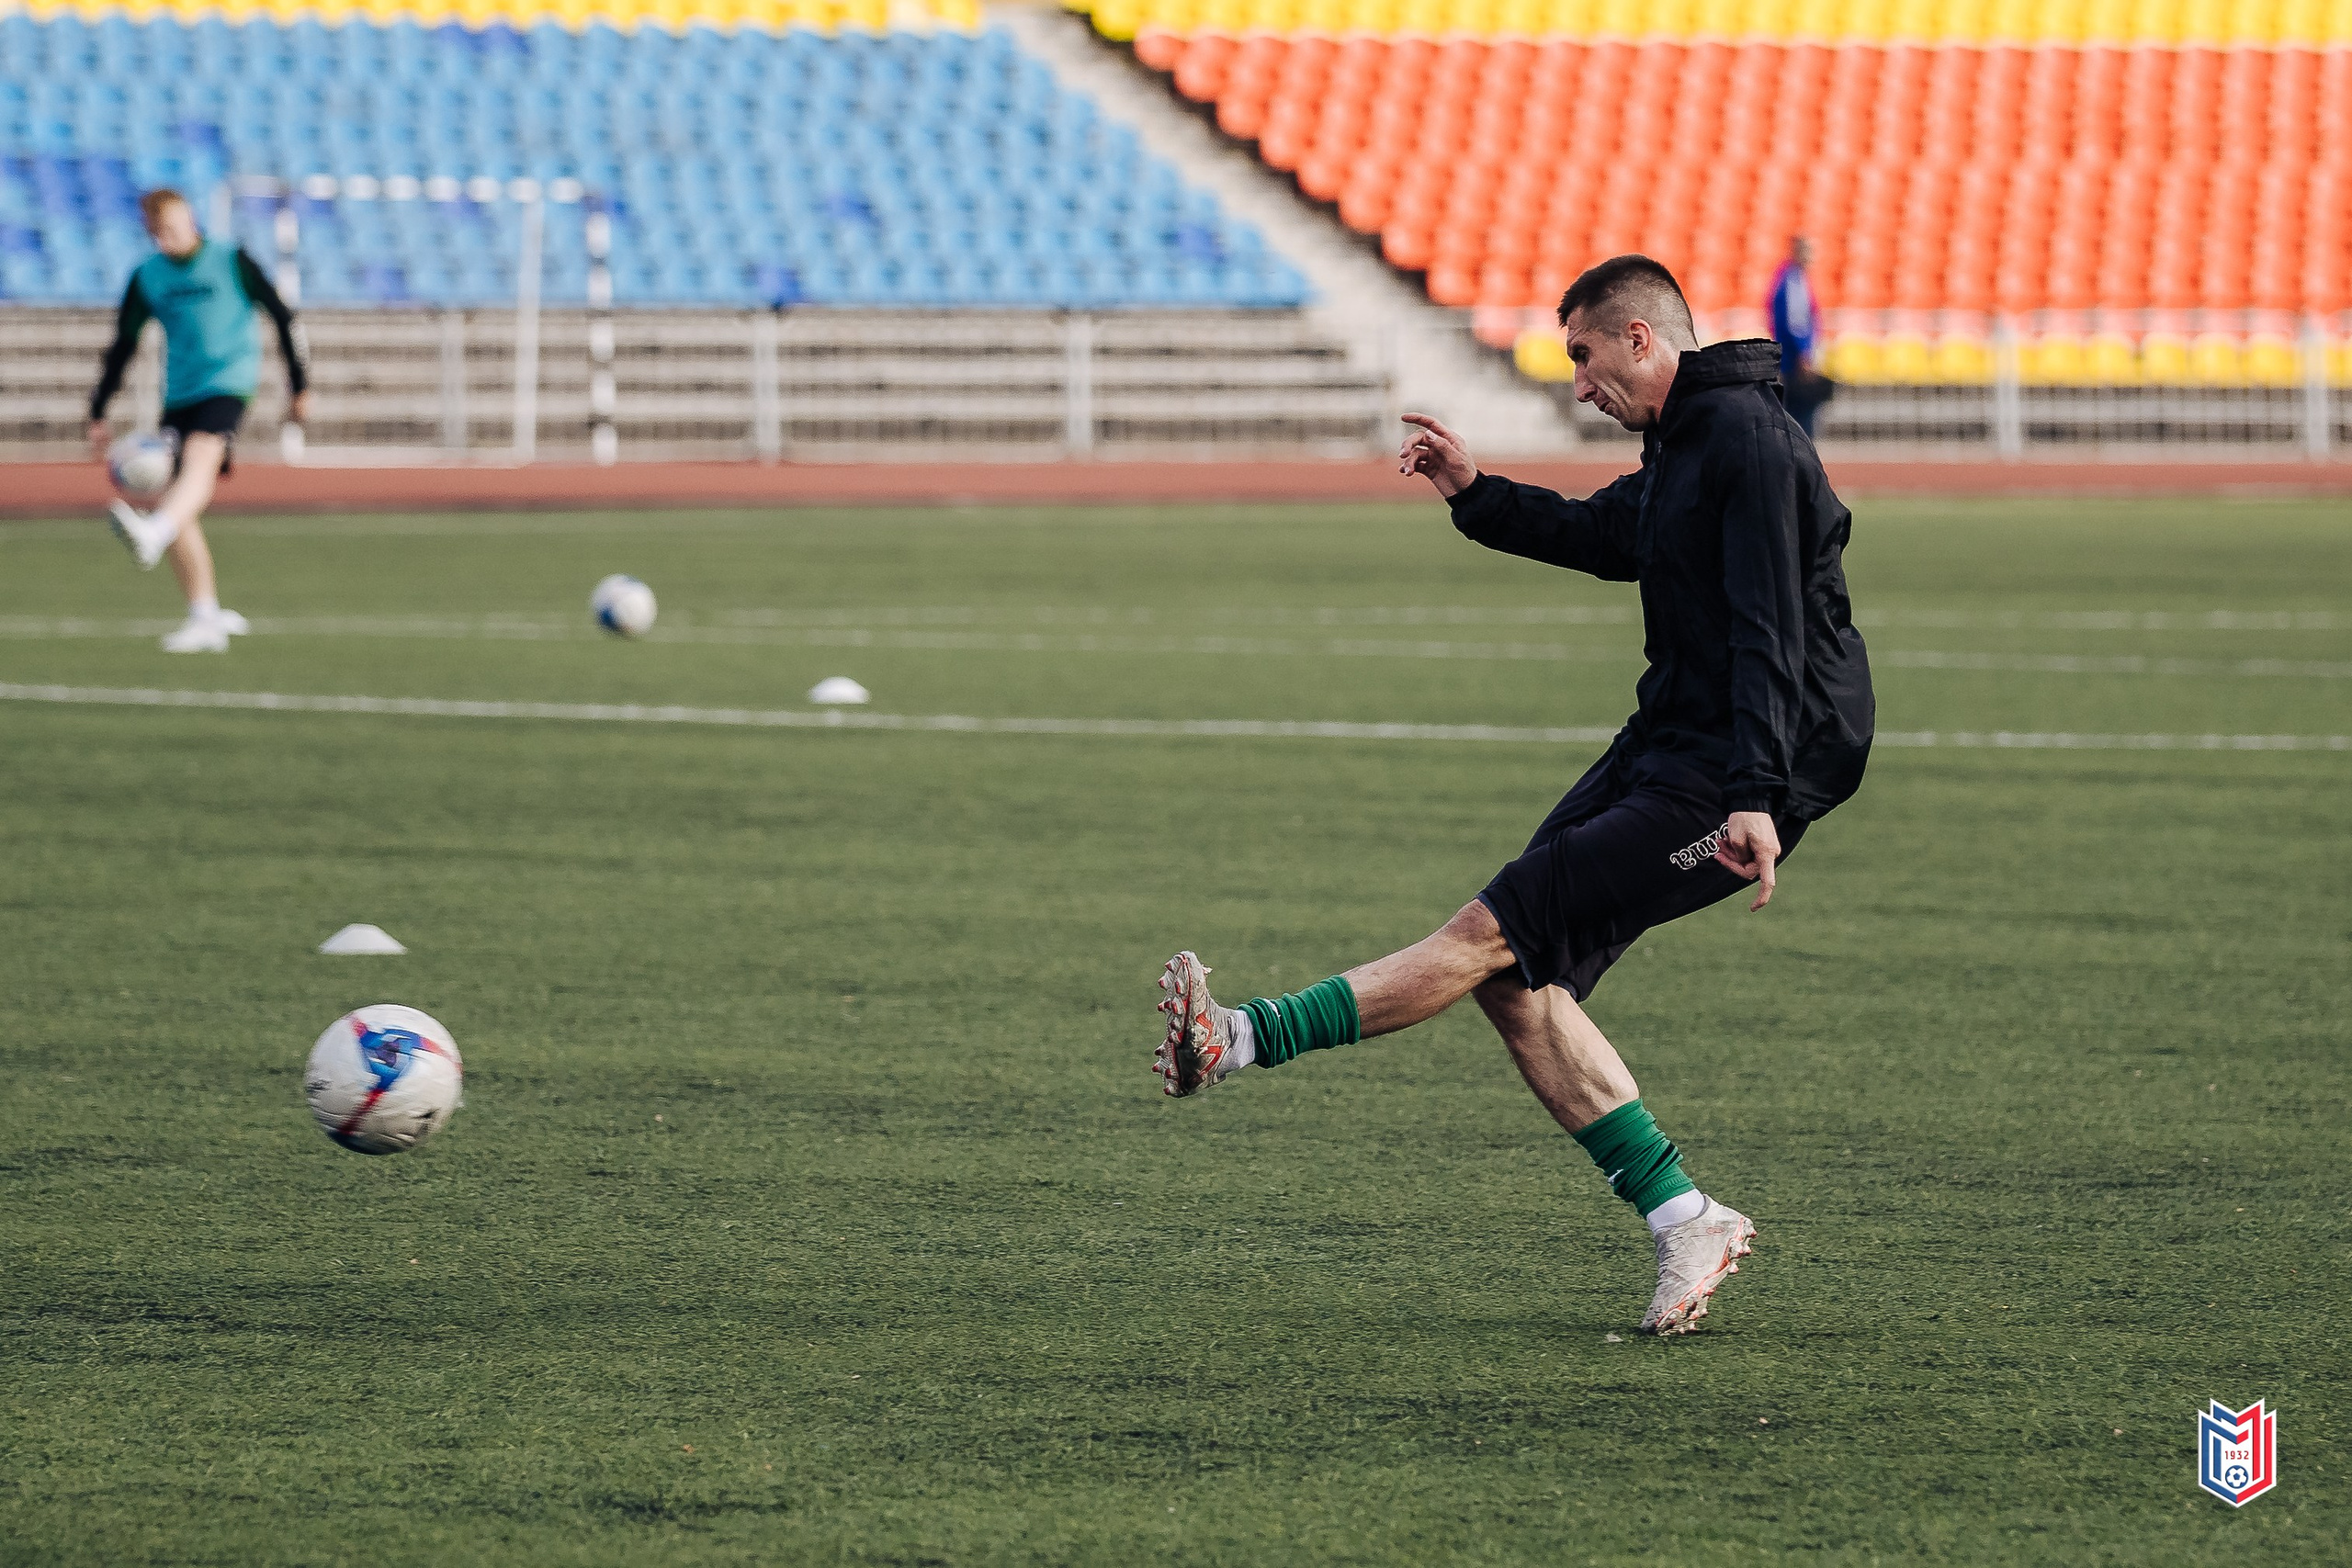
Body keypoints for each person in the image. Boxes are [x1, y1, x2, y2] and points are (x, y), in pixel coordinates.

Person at [1153, 255, 1874, 1337]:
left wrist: (1756, 795)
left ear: (1640, 338)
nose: (1577, 382)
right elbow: (1605, 537)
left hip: (1737, 766)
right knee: (1515, 975)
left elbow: (1772, 630)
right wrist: (1472, 491)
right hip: (1671, 738)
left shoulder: (1751, 443)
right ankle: (1688, 1218)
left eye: (1583, 355)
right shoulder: (1688, 437)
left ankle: (1241, 1037)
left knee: (1492, 932)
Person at [87, 187, 309, 654]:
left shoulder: (231, 260)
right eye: (157, 233)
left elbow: (281, 314)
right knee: (178, 497)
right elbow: (123, 344)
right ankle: (204, 615)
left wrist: (299, 383)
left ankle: (155, 532)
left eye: (172, 227)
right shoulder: (148, 277)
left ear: (190, 218)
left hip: (229, 381)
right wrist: (98, 408)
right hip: (180, 392)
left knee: (201, 458)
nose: (167, 239)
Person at [1767, 234, 1831, 439]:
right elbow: (1796, 322)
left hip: (1789, 356)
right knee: (1800, 416)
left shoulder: (1789, 278)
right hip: (1793, 359)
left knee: (1794, 412)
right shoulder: (1793, 280)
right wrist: (1804, 353)